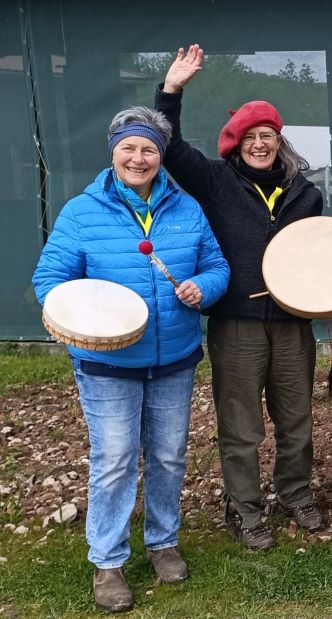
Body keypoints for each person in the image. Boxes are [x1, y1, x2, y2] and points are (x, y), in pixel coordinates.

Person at [32, 106, 229, 613]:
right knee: (115, 459)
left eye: (148, 149)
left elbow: (217, 264)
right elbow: (49, 280)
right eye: (129, 148)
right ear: (113, 152)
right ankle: (109, 560)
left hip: (174, 357)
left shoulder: (186, 208)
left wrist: (201, 288)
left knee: (168, 456)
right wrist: (93, 314)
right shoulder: (82, 212)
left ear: (160, 156)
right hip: (108, 364)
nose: (138, 158)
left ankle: (163, 543)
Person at [155, 45, 325, 551]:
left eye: (267, 136)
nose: (259, 145)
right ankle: (245, 509)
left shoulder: (305, 193)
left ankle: (296, 494)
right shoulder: (214, 181)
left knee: (296, 417)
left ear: (279, 141)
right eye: (250, 137)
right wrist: (171, 91)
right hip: (238, 323)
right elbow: (167, 146)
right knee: (242, 424)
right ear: (237, 143)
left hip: (294, 322)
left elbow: (320, 256)